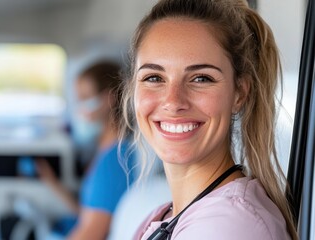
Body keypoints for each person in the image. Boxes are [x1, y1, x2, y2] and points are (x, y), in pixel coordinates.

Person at [119, 0, 298, 239]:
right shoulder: (166, 215)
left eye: (201, 78)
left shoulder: (229, 224)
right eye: (154, 77)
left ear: (239, 93)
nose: (173, 102)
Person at [37, 60, 135, 240]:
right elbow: (90, 212)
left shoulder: (115, 162)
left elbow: (90, 233)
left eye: (85, 98)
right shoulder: (104, 151)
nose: (79, 108)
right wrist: (54, 185)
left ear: (108, 99)